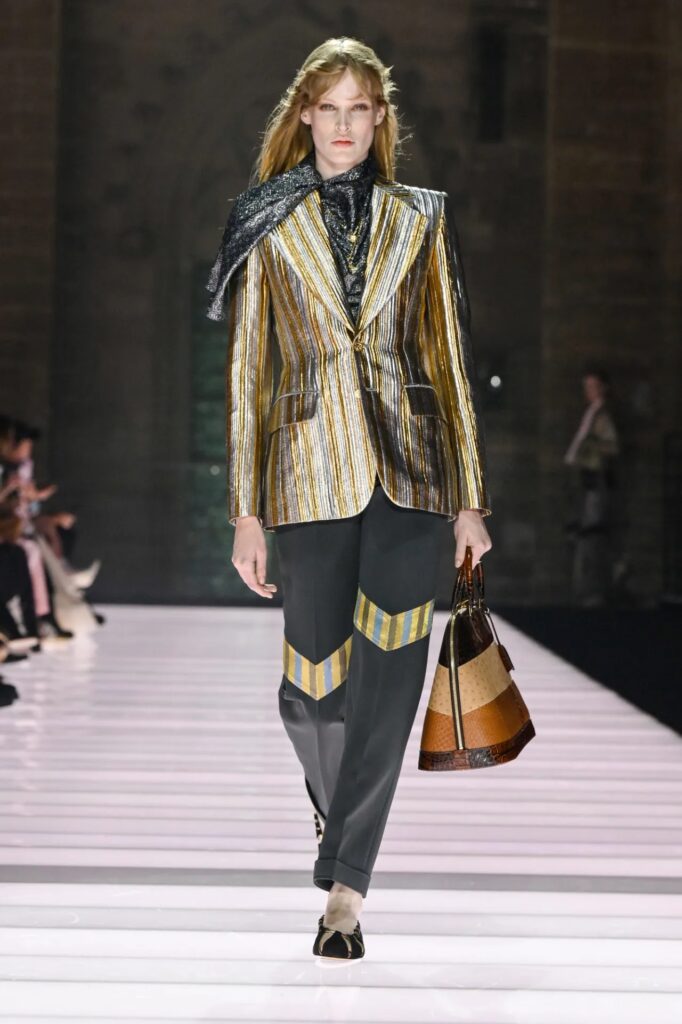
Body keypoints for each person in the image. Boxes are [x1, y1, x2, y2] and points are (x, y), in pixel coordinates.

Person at [205, 37, 492, 960]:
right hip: (306, 473)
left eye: (358, 109)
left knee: (389, 689)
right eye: (327, 108)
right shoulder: (265, 218)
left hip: (411, 477)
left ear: (379, 119)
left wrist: (469, 499)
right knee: (314, 695)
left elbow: (449, 357)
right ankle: (337, 819)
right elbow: (249, 372)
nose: (342, 124)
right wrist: (245, 511)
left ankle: (346, 894)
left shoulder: (422, 216)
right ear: (304, 116)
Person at [563, 366, 620, 606]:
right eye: (586, 386)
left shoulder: (602, 416)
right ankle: (586, 590)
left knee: (592, 532)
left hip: (596, 482)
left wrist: (592, 449)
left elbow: (610, 447)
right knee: (582, 531)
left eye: (593, 386)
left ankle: (594, 592)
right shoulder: (592, 413)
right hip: (586, 481)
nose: (589, 391)